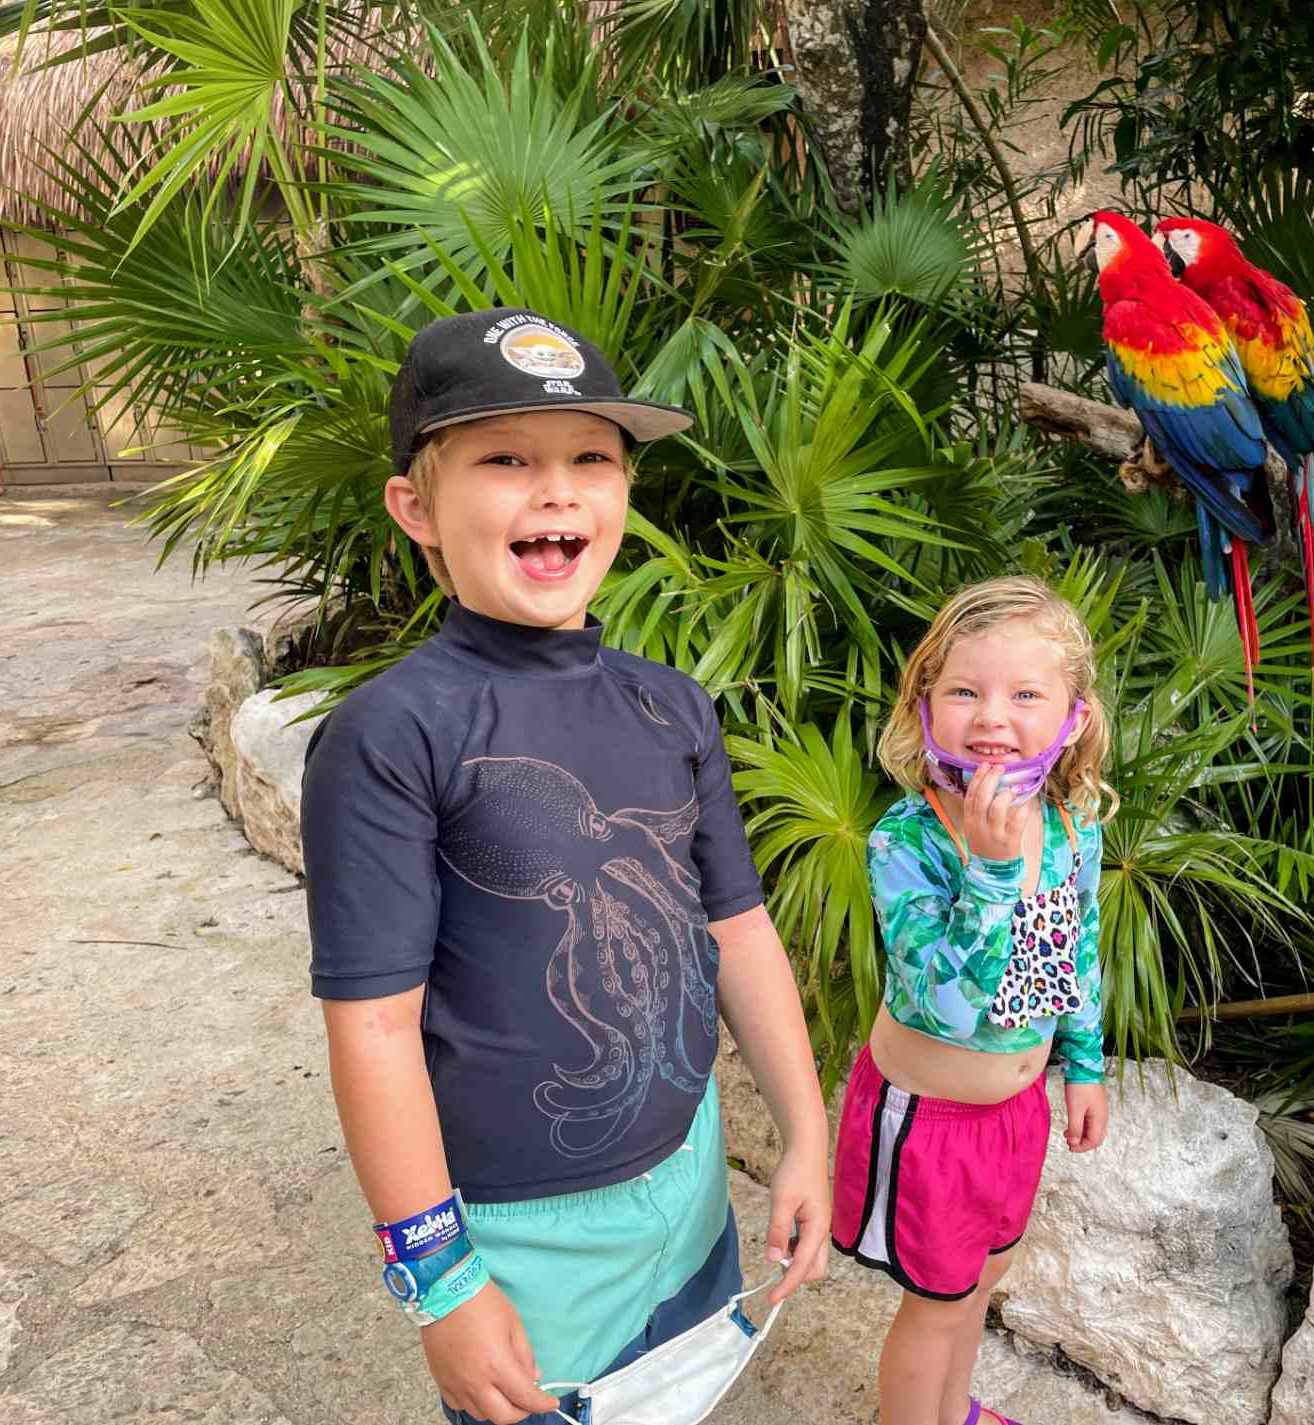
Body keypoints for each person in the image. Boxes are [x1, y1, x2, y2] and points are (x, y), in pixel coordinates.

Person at [300, 308, 830, 1425]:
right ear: (417, 509)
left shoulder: (671, 704)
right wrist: (440, 1281)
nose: (557, 491)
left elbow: (735, 929)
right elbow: (375, 1028)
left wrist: (805, 1136)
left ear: (625, 495)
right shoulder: (391, 734)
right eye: (506, 459)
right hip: (518, 1232)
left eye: (592, 457)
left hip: (687, 1189)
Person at [832, 575, 1113, 1425]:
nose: (992, 716)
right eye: (965, 690)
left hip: (1014, 1114)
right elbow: (946, 1004)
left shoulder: (1071, 825)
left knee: (984, 1277)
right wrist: (991, 874)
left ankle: (948, 1412)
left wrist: (1085, 1065)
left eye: (1025, 694)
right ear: (924, 705)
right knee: (937, 1302)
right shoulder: (907, 840)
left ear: (1076, 719)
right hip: (929, 1126)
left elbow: (1081, 943)